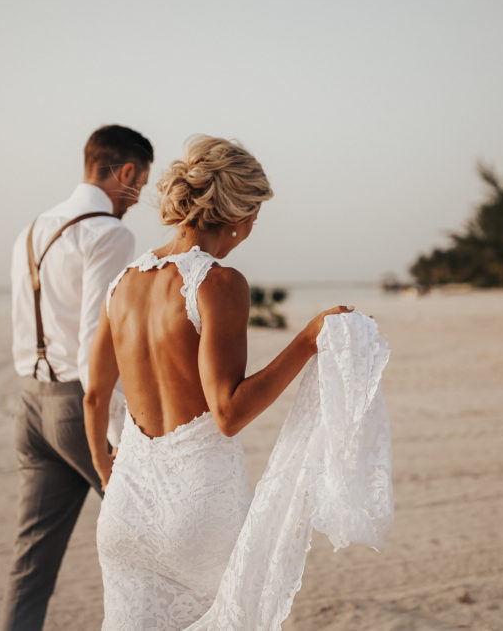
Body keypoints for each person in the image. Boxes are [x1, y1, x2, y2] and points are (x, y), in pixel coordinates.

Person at [83, 135, 352, 629]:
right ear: (238, 215)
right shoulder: (218, 283)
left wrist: (106, 474)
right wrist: (308, 339)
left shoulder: (122, 282)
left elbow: (95, 397)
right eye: (254, 216)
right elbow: (227, 414)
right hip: (198, 511)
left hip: (124, 513)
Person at [0, 125, 154, 631]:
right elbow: (96, 349)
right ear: (126, 172)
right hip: (76, 409)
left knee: (31, 568)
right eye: (142, 183)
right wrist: (116, 445)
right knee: (158, 544)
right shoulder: (109, 232)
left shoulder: (30, 231)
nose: (138, 198)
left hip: (30, 407)